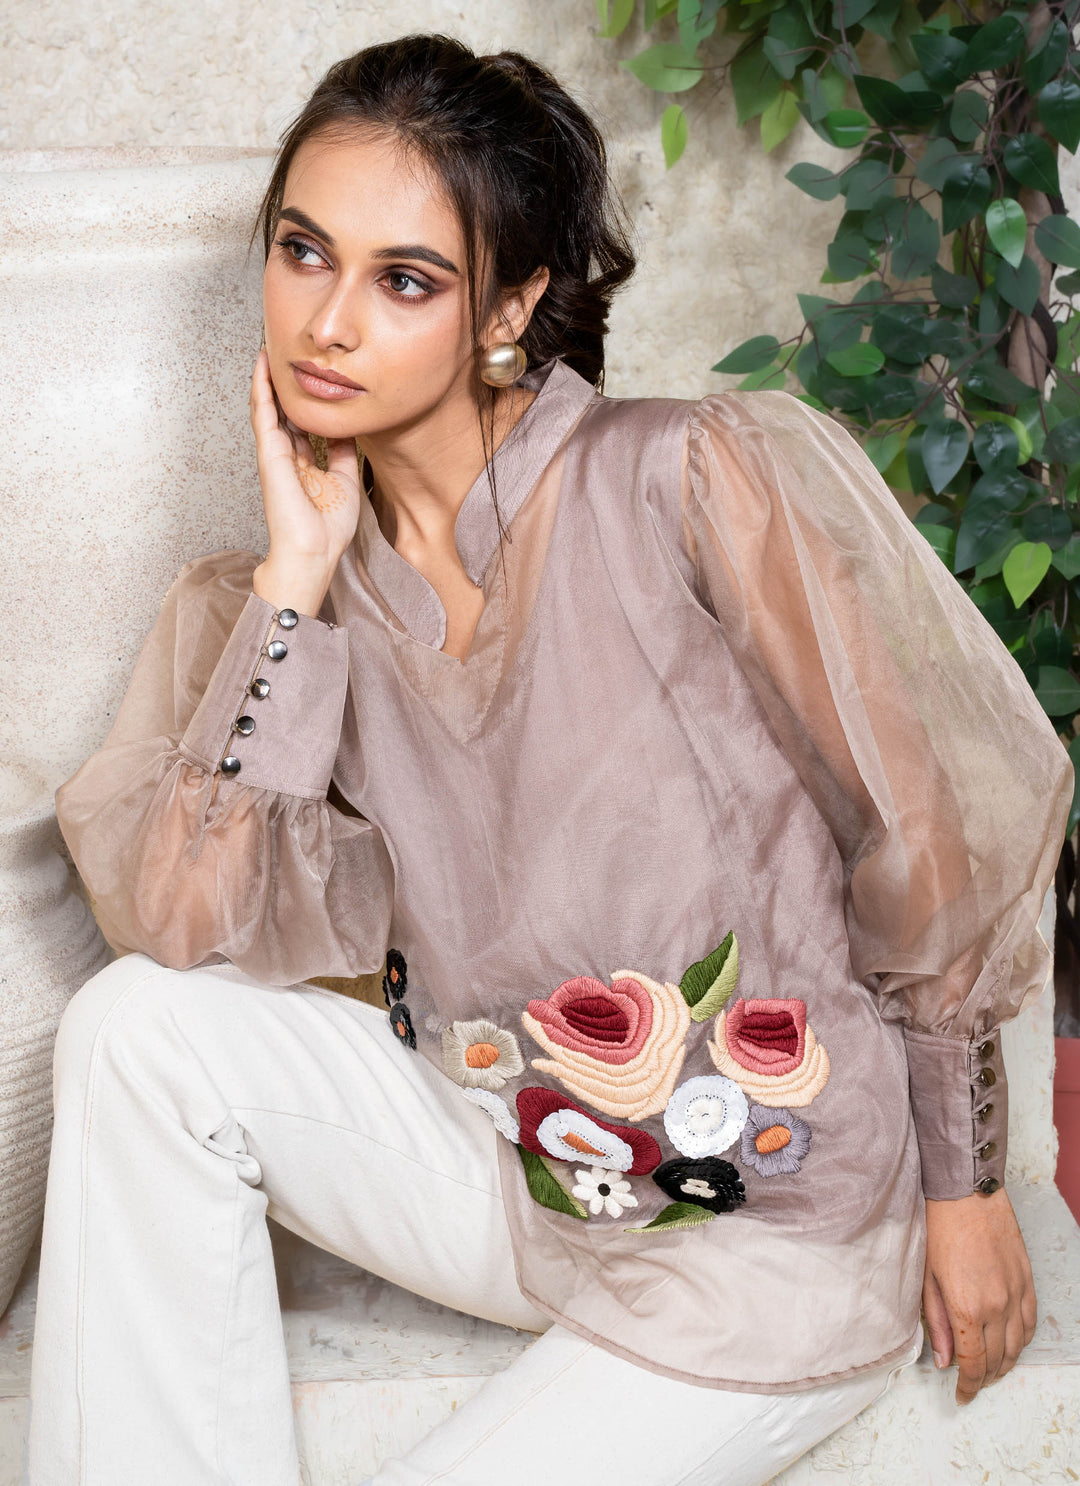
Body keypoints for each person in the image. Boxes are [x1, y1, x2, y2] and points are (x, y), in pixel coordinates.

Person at [25, 30, 1073, 1486]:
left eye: (404, 281)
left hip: (762, 1222)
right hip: (512, 1168)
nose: (326, 321)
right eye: (303, 252)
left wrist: (965, 1188)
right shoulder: (295, 591)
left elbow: (922, 825)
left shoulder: (687, 478)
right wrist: (293, 576)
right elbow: (188, 928)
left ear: (510, 307)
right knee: (133, 1025)